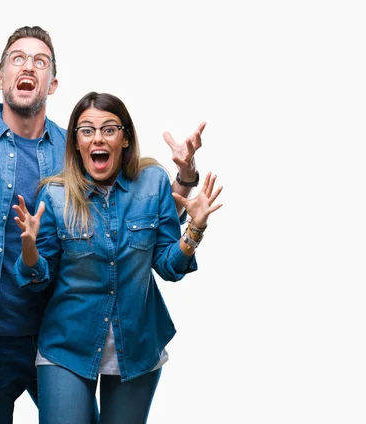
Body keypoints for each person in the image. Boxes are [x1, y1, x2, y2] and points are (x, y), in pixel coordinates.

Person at [0, 25, 205, 423]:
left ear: (53, 83)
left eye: (40, 60)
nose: (28, 65)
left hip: (67, 336)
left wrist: (185, 183)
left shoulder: (77, 148)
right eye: (17, 58)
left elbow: (133, 216)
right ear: (0, 78)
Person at [12, 91, 223, 424]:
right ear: (76, 142)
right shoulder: (54, 194)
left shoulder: (152, 183)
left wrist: (194, 231)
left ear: (124, 138)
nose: (98, 137)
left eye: (109, 129)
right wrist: (29, 250)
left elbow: (168, 266)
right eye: (87, 130)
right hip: (67, 347)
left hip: (137, 346)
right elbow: (39, 279)